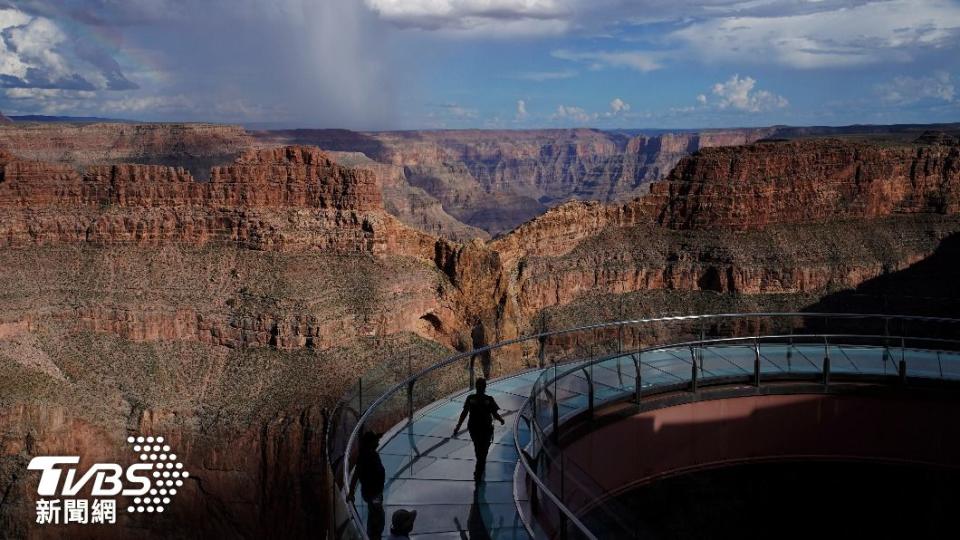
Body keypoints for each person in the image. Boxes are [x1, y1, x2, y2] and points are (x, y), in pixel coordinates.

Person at [452, 378, 505, 483]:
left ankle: (479, 468)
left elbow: (464, 413)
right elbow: (494, 413)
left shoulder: (470, 398)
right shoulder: (489, 399)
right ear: (485, 387)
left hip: (474, 428)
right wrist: (501, 420)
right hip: (486, 428)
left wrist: (458, 426)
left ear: (476, 387)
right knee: (484, 449)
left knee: (478, 447)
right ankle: (479, 468)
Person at [347, 431, 386, 540]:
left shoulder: (370, 454)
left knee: (375, 515)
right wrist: (350, 493)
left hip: (374, 493)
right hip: (373, 494)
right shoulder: (366, 457)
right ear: (370, 442)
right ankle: (373, 537)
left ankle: (372, 534)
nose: (378, 442)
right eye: (376, 440)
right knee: (378, 517)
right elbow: (356, 474)